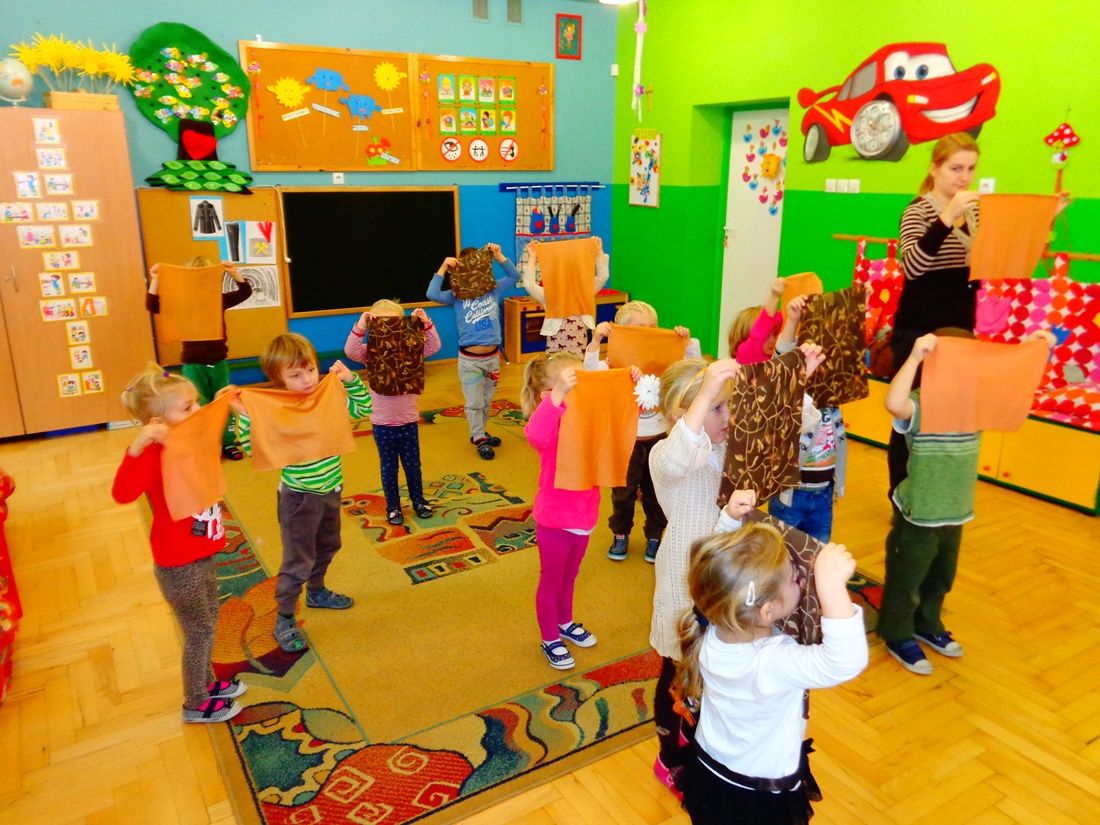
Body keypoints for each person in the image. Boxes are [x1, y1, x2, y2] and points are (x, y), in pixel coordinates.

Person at [649, 349, 825, 792]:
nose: (728, 415)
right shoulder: (666, 455)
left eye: (729, 404)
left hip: (731, 579)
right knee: (678, 673)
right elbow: (678, 459)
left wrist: (796, 383)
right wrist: (707, 387)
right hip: (685, 582)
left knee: (719, 669)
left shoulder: (731, 445)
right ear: (679, 415)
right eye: (716, 408)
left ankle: (707, 746)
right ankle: (669, 755)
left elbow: (787, 430)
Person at [673, 526, 868, 824]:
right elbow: (845, 660)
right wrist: (831, 587)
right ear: (767, 611)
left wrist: (729, 522)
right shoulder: (772, 661)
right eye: (792, 577)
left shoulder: (712, 626)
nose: (799, 577)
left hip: (710, 768)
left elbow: (719, 576)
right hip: (757, 790)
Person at [111, 365, 246, 724]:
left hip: (200, 553)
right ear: (158, 422)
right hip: (177, 562)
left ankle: (207, 683)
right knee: (199, 630)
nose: (197, 410)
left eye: (196, 402)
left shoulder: (187, 440)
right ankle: (195, 702)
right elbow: (122, 493)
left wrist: (220, 404)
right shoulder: (153, 454)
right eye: (188, 407)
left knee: (210, 618)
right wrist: (137, 447)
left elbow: (208, 427)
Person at [231, 334, 372, 654]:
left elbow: (365, 408)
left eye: (310, 370)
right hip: (298, 499)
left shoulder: (326, 399)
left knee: (329, 545)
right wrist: (245, 415)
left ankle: (317, 591)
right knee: (298, 560)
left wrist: (351, 381)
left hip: (331, 490)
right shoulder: (277, 412)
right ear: (278, 379)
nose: (307, 379)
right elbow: (254, 448)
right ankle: (284, 617)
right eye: (295, 375)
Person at [585, 300, 701, 562]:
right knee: (623, 493)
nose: (649, 334)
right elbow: (590, 374)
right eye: (641, 329)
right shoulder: (613, 363)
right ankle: (621, 533)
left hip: (659, 441)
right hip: (625, 443)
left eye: (653, 328)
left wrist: (686, 342)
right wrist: (596, 341)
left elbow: (692, 372)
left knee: (656, 493)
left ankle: (655, 536)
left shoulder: (664, 362)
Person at [521, 352, 601, 671]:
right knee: (552, 579)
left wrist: (631, 383)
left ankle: (564, 623)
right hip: (555, 520)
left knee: (570, 576)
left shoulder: (585, 419)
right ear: (548, 395)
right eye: (571, 385)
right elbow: (535, 434)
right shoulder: (551, 425)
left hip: (584, 517)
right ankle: (549, 637)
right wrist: (558, 395)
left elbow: (616, 416)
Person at [345, 300, 441, 525]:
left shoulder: (411, 350)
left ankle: (418, 500)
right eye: (383, 324)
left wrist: (426, 322)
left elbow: (434, 347)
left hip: (408, 422)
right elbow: (351, 351)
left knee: (413, 466)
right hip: (382, 424)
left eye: (395, 323)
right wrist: (361, 325)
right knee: (389, 468)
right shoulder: (370, 353)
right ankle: (394, 506)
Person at [147, 257, 253, 460]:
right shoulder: (181, 304)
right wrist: (155, 279)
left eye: (205, 279)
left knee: (225, 402)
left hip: (218, 362)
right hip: (194, 364)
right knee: (196, 405)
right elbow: (152, 305)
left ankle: (228, 442)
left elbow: (245, 292)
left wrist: (233, 272)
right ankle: (203, 442)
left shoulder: (217, 300)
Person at [426, 242, 520, 460]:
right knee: (474, 402)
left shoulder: (492, 289)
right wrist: (443, 267)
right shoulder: (456, 295)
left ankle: (480, 432)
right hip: (470, 361)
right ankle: (478, 437)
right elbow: (431, 293)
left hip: (492, 359)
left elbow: (514, 276)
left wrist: (499, 255)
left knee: (486, 400)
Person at [769, 294, 847, 542]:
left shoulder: (831, 399)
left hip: (823, 493)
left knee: (816, 551)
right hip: (791, 494)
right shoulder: (790, 395)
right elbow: (780, 362)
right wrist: (792, 320)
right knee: (780, 552)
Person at [521, 237, 610, 356]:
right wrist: (532, 257)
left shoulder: (584, 291)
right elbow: (529, 284)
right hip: (555, 357)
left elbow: (603, 276)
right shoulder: (549, 294)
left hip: (578, 355)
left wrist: (599, 250)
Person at [727, 277, 785, 363]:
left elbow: (782, 321)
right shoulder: (746, 353)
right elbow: (761, 330)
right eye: (767, 336)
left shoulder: (771, 355)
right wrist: (775, 296)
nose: (773, 340)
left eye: (775, 334)